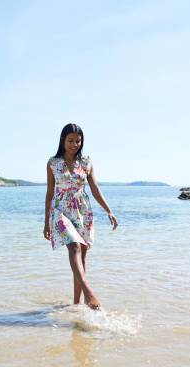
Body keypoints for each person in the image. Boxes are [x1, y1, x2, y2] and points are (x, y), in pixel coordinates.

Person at [44, 123, 118, 310]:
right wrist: (46, 222)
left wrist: (109, 210)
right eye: (70, 140)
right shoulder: (53, 163)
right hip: (60, 210)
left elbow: (95, 189)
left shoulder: (86, 163)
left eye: (78, 141)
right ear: (62, 140)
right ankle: (89, 294)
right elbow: (49, 193)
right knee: (74, 248)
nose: (74, 144)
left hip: (83, 212)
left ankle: (77, 305)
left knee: (82, 257)